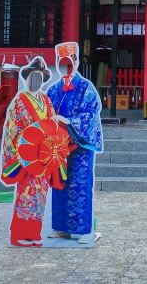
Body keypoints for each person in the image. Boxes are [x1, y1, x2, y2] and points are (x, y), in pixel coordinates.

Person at [0, 57, 76, 247]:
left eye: (40, 77)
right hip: (27, 156)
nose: (37, 80)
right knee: (26, 194)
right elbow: (13, 129)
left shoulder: (45, 99)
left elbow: (50, 124)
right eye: (34, 76)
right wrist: (24, 147)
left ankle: (33, 234)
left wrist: (58, 122)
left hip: (43, 156)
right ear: (27, 78)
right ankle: (19, 234)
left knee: (39, 196)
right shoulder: (20, 101)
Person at [45, 41, 104, 244]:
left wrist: (69, 121)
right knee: (59, 184)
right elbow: (45, 113)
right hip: (58, 146)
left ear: (76, 62)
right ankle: (60, 227)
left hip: (79, 145)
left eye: (69, 62)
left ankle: (83, 228)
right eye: (62, 63)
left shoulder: (86, 87)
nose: (66, 67)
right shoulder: (53, 89)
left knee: (80, 185)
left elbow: (91, 113)